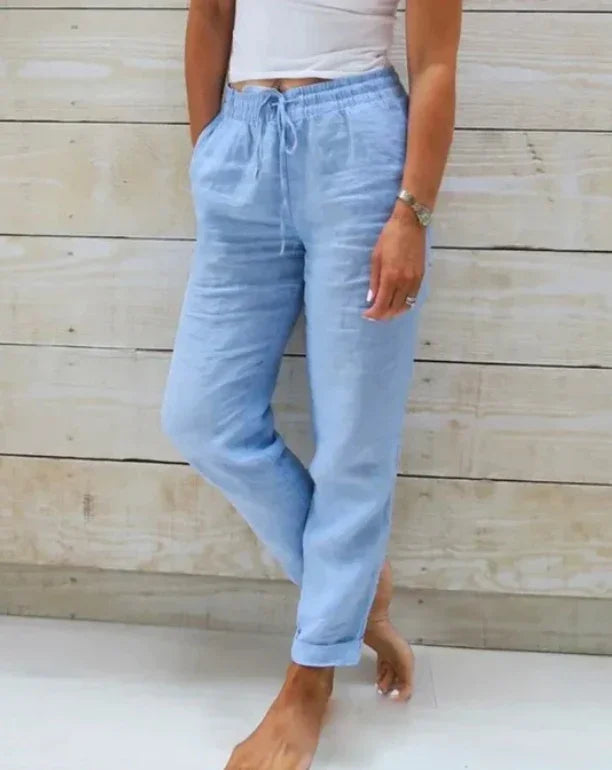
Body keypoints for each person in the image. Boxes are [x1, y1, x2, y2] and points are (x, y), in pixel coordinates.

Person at [161, 0, 462, 766]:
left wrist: (412, 214)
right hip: (243, 141)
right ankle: (355, 592)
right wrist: (210, 151)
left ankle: (309, 682)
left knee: (353, 444)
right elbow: (210, 15)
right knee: (202, 417)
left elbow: (434, 63)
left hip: (358, 152)